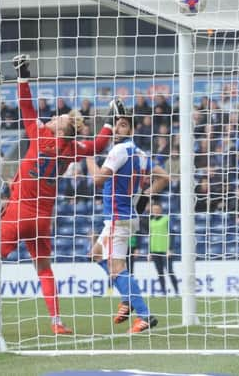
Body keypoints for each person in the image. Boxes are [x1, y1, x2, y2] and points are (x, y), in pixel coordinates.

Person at [0, 55, 116, 335]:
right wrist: (110, 119)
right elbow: (99, 143)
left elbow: (26, 105)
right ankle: (57, 322)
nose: (50, 119)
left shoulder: (38, 135)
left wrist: (23, 76)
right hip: (43, 219)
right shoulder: (72, 149)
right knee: (44, 268)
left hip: (17, 212)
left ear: (60, 128)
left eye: (56, 118)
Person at [89, 110, 169, 333]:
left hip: (118, 218)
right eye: (115, 125)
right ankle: (127, 299)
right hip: (125, 217)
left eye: (123, 125)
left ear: (131, 130)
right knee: (95, 253)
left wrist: (86, 156)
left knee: (116, 269)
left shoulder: (119, 150)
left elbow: (97, 180)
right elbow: (164, 177)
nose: (117, 129)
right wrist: (145, 196)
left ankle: (144, 315)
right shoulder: (141, 154)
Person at [147, 202, 179, 296]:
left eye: (157, 209)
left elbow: (172, 233)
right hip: (155, 250)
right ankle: (163, 292)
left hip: (165, 250)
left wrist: (170, 248)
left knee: (170, 271)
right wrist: (149, 252)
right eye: (154, 210)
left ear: (161, 210)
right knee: (160, 272)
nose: (155, 211)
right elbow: (150, 237)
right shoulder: (151, 221)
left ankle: (176, 291)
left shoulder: (166, 219)